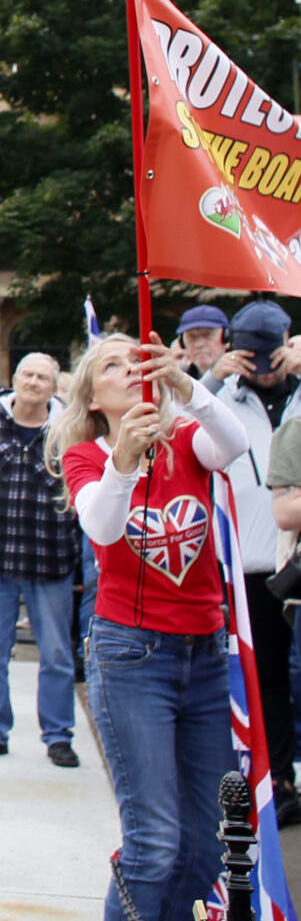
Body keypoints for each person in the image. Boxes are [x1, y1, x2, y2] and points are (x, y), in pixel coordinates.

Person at [50, 333, 248, 921]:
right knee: (153, 841)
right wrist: (127, 460)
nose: (129, 371)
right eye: (111, 366)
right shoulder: (90, 456)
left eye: (139, 361)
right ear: (93, 398)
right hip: (132, 656)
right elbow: (100, 528)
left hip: (201, 658)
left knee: (202, 847)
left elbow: (232, 447)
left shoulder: (188, 438)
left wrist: (188, 386)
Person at [197, 300, 301, 824]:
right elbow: (179, 422)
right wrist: (214, 378)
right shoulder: (222, 397)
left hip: (293, 558)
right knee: (263, 678)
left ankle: (286, 772)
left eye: (270, 353)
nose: (262, 366)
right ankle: (272, 775)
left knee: (293, 675)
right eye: (249, 354)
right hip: (244, 564)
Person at [0, 354, 80, 767]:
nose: (35, 382)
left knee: (57, 654)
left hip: (51, 559)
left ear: (54, 385)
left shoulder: (71, 431)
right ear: (15, 379)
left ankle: (58, 735)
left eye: (44, 377)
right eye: (28, 374)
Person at [174, 303, 229, 381]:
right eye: (192, 337)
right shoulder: (175, 381)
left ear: (226, 338)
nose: (199, 344)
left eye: (207, 335)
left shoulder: (241, 380)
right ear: (182, 343)